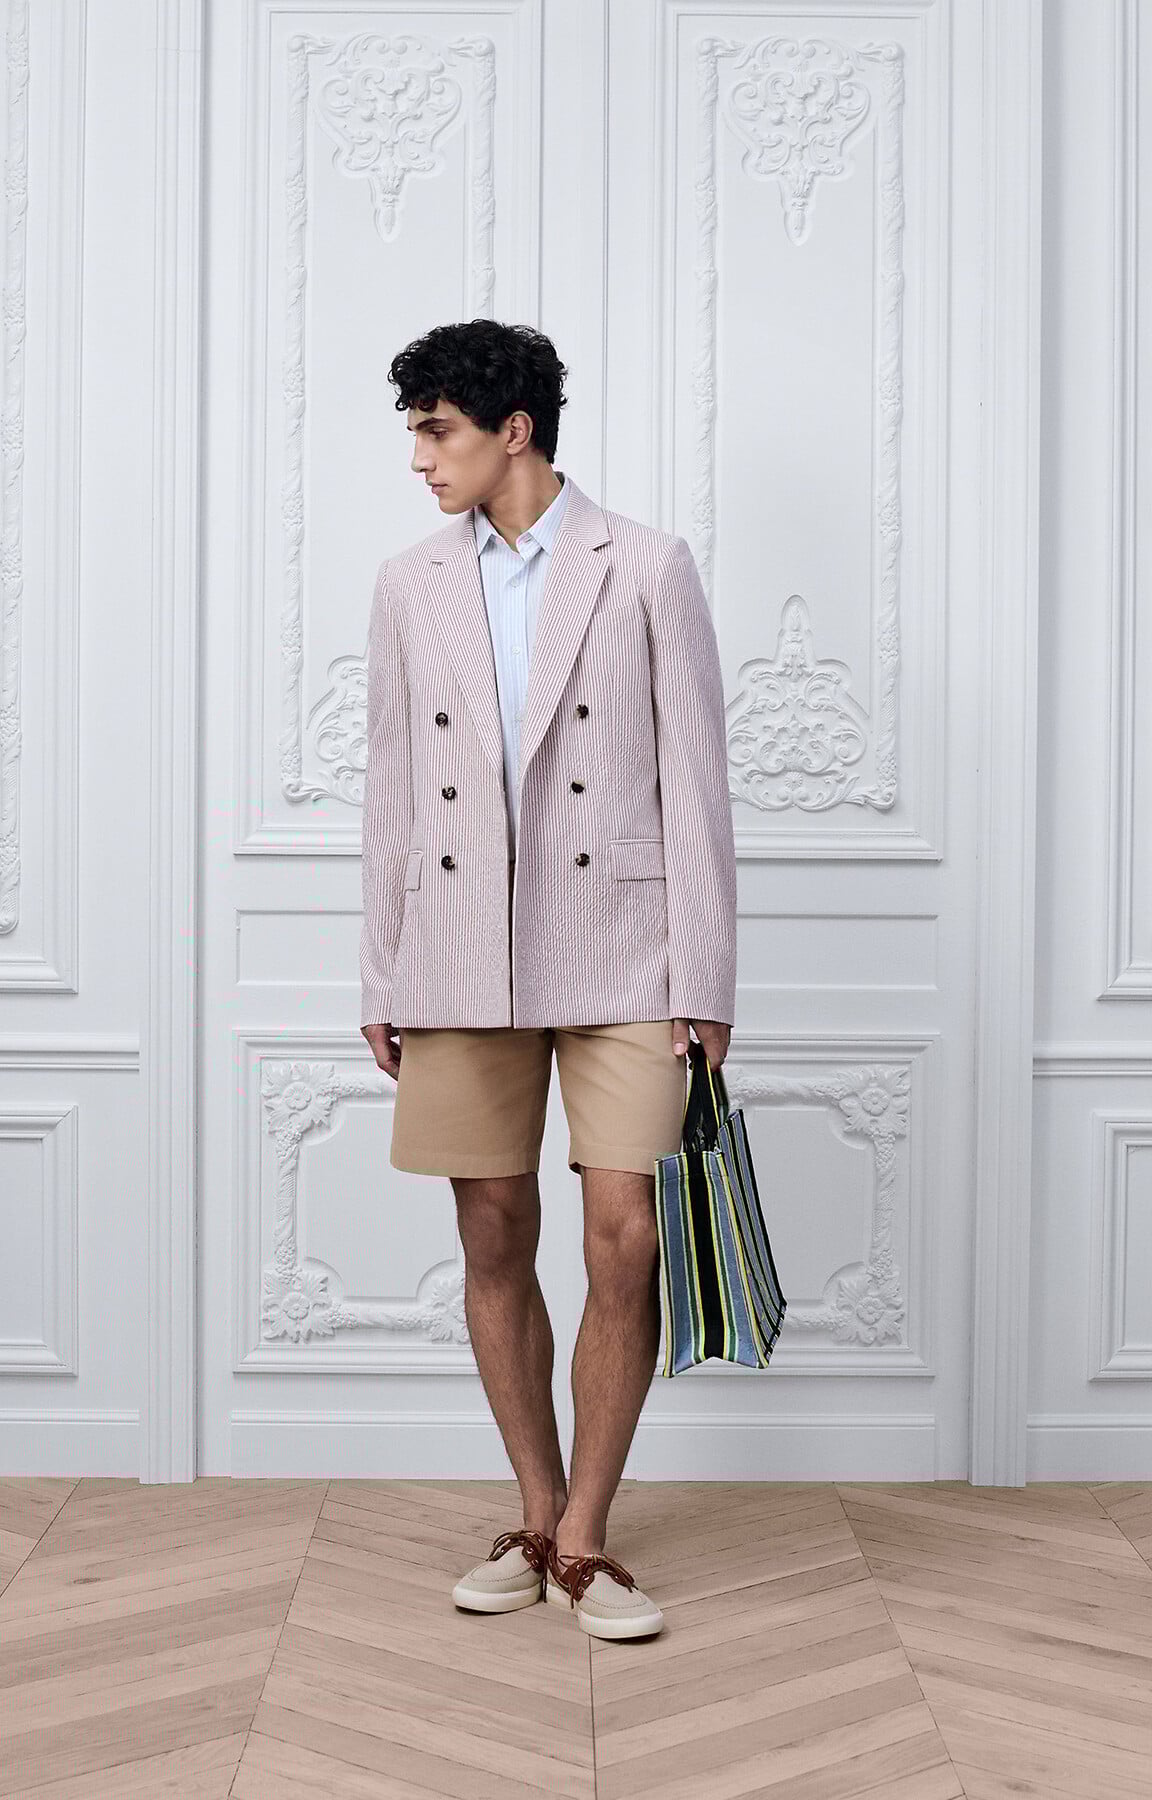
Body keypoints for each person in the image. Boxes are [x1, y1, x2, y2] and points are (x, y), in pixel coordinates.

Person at [359, 318, 737, 1640]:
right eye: (416, 432)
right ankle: (535, 1509)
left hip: (624, 948)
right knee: (493, 1232)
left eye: (438, 429)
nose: (421, 458)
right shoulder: (409, 584)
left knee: (624, 1234)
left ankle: (586, 1535)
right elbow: (394, 789)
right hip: (459, 951)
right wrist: (384, 965)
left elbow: (697, 784)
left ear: (513, 429)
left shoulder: (645, 565)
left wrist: (707, 975)